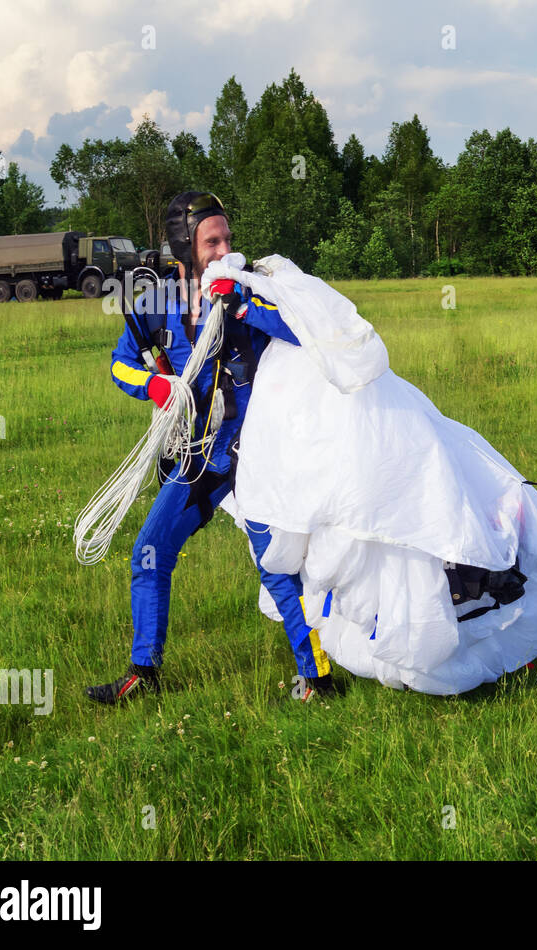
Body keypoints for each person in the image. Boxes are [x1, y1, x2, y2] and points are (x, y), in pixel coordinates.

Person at [86, 191, 338, 705]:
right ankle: (144, 674)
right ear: (185, 247)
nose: (224, 248)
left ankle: (318, 679)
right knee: (149, 555)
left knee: (276, 566)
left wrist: (244, 304)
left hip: (253, 453)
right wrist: (154, 386)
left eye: (227, 237)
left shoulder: (249, 292)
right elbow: (119, 362)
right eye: (212, 240)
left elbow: (304, 330)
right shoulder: (155, 305)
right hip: (197, 456)